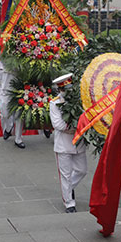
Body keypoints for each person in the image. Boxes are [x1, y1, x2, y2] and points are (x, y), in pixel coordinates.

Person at [49, 73, 87, 213]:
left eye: (69, 88)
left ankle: (68, 189)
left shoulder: (80, 100)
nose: (67, 92)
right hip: (63, 145)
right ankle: (69, 203)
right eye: (64, 89)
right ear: (60, 90)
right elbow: (58, 124)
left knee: (82, 170)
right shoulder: (55, 103)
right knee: (65, 174)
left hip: (78, 143)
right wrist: (74, 127)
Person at [0, 51, 24, 147]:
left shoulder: (19, 61)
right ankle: (9, 128)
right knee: (4, 114)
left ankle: (18, 139)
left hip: (17, 91)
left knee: (19, 115)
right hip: (3, 92)